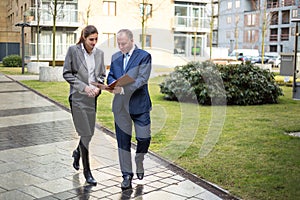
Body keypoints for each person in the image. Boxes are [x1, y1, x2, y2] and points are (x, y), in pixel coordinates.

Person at [107, 29, 152, 190]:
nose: (121, 46)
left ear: (132, 40)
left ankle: (139, 159)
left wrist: (124, 89)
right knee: (122, 143)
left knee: (144, 138)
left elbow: (142, 79)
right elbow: (111, 76)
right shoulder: (115, 57)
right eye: (118, 43)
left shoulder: (144, 56)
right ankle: (126, 176)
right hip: (120, 107)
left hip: (139, 105)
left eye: (123, 43)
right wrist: (112, 84)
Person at [63, 25, 106, 186]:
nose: (94, 43)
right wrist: (84, 87)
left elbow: (101, 75)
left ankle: (77, 153)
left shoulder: (99, 54)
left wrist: (97, 87)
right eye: (91, 39)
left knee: (89, 133)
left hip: (92, 98)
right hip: (77, 98)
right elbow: (67, 73)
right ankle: (87, 171)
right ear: (84, 37)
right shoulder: (73, 51)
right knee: (85, 133)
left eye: (96, 39)